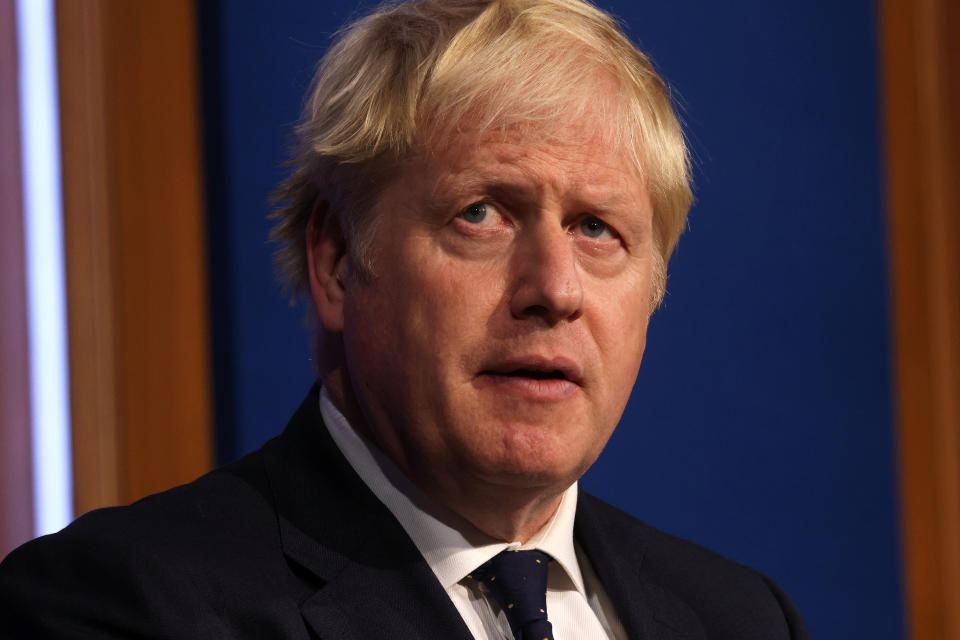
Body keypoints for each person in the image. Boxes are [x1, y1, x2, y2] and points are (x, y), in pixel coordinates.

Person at [0, 0, 810, 638]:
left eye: (598, 229)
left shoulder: (741, 618)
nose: (553, 288)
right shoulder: (127, 605)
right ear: (338, 261)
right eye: (483, 213)